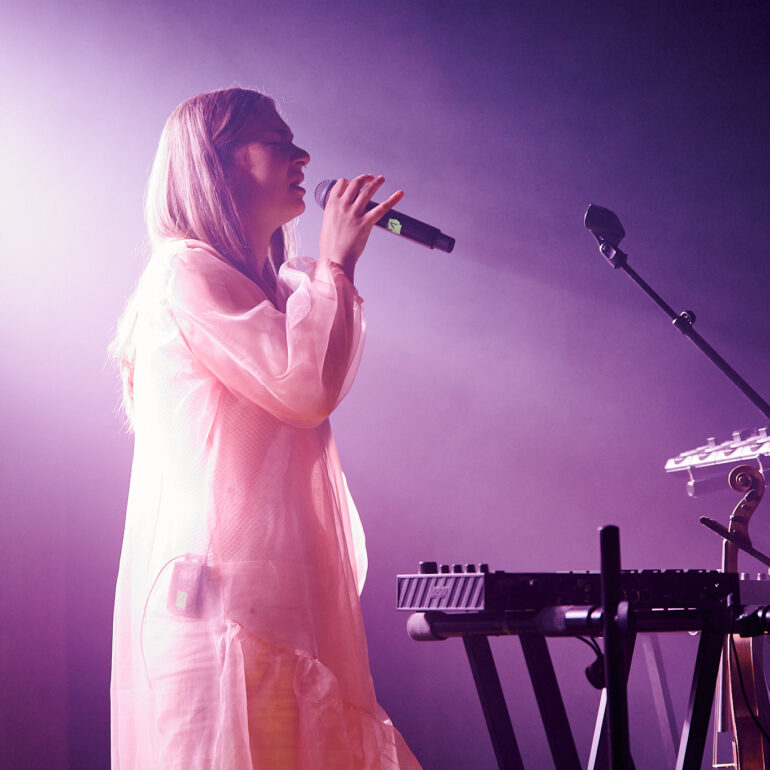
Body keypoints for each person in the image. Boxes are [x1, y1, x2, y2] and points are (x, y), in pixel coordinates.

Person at [110, 87, 421, 770]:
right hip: (223, 618)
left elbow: (313, 384)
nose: (303, 155)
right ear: (216, 165)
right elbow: (304, 387)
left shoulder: (276, 291)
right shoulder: (185, 272)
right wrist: (335, 267)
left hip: (277, 615)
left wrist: (329, 275)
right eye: (279, 142)